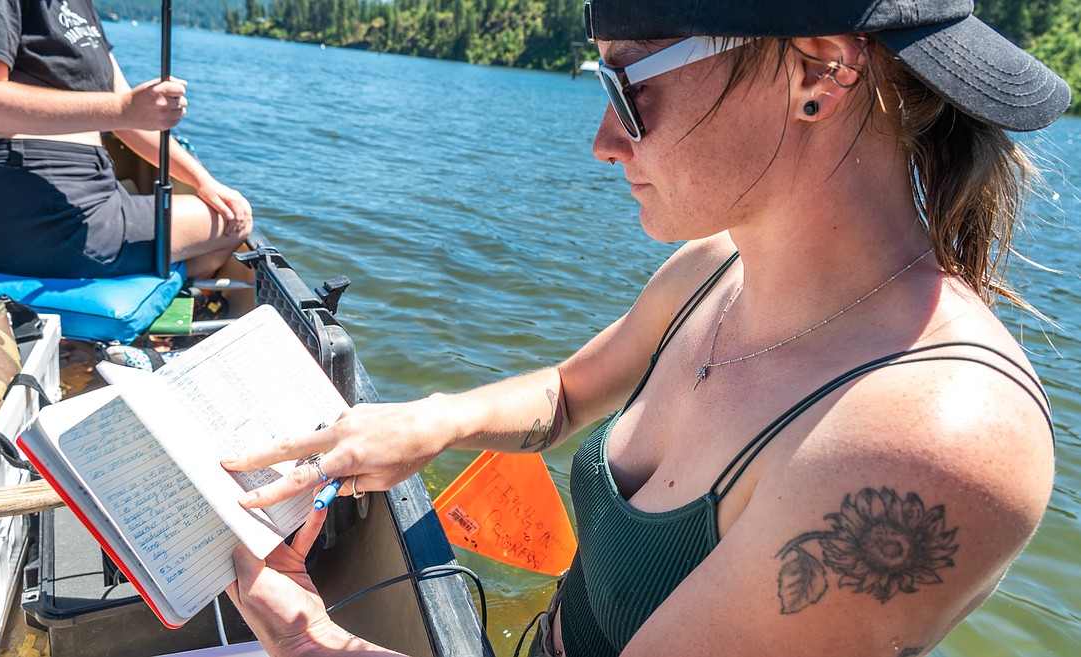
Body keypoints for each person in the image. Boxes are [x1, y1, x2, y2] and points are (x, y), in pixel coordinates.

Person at [221, 1, 1069, 655]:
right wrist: (427, 421)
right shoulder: (716, 268)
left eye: (626, 86)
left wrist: (304, 636)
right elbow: (563, 395)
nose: (601, 141)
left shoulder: (931, 441)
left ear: (819, 73)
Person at [0, 0, 252, 280]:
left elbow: (127, 117)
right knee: (231, 223)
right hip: (58, 211)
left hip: (4, 213)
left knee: (217, 206)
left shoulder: (77, 6)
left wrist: (204, 181)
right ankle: (159, 298)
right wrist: (124, 109)